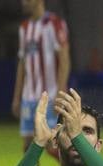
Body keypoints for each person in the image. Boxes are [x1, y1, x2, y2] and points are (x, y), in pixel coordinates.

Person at [12, 0, 70, 156]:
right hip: (28, 97)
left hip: (49, 96)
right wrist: (17, 97)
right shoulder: (24, 28)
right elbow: (22, 64)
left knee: (52, 145)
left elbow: (64, 60)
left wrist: (60, 92)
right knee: (28, 146)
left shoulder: (54, 24)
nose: (23, 3)